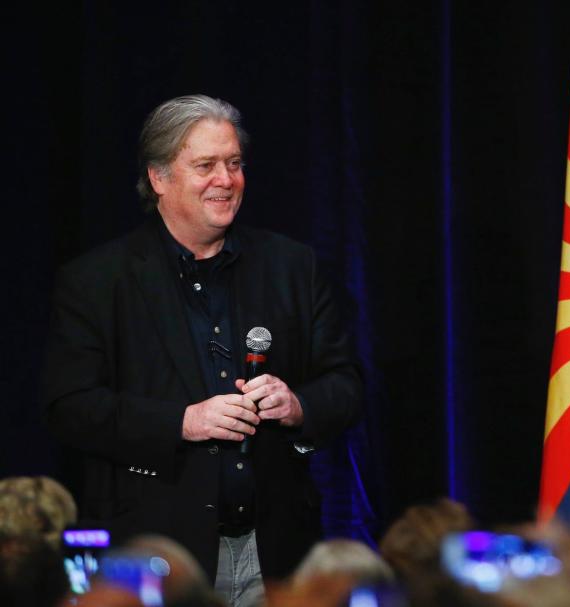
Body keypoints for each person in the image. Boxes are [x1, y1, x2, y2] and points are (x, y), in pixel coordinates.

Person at [42, 94, 363, 606]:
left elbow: (345, 384)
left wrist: (298, 404)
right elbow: (70, 407)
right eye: (206, 165)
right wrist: (182, 422)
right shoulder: (97, 281)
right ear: (159, 178)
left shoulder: (291, 267)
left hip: (277, 550)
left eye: (234, 163)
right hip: (159, 556)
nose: (226, 179)